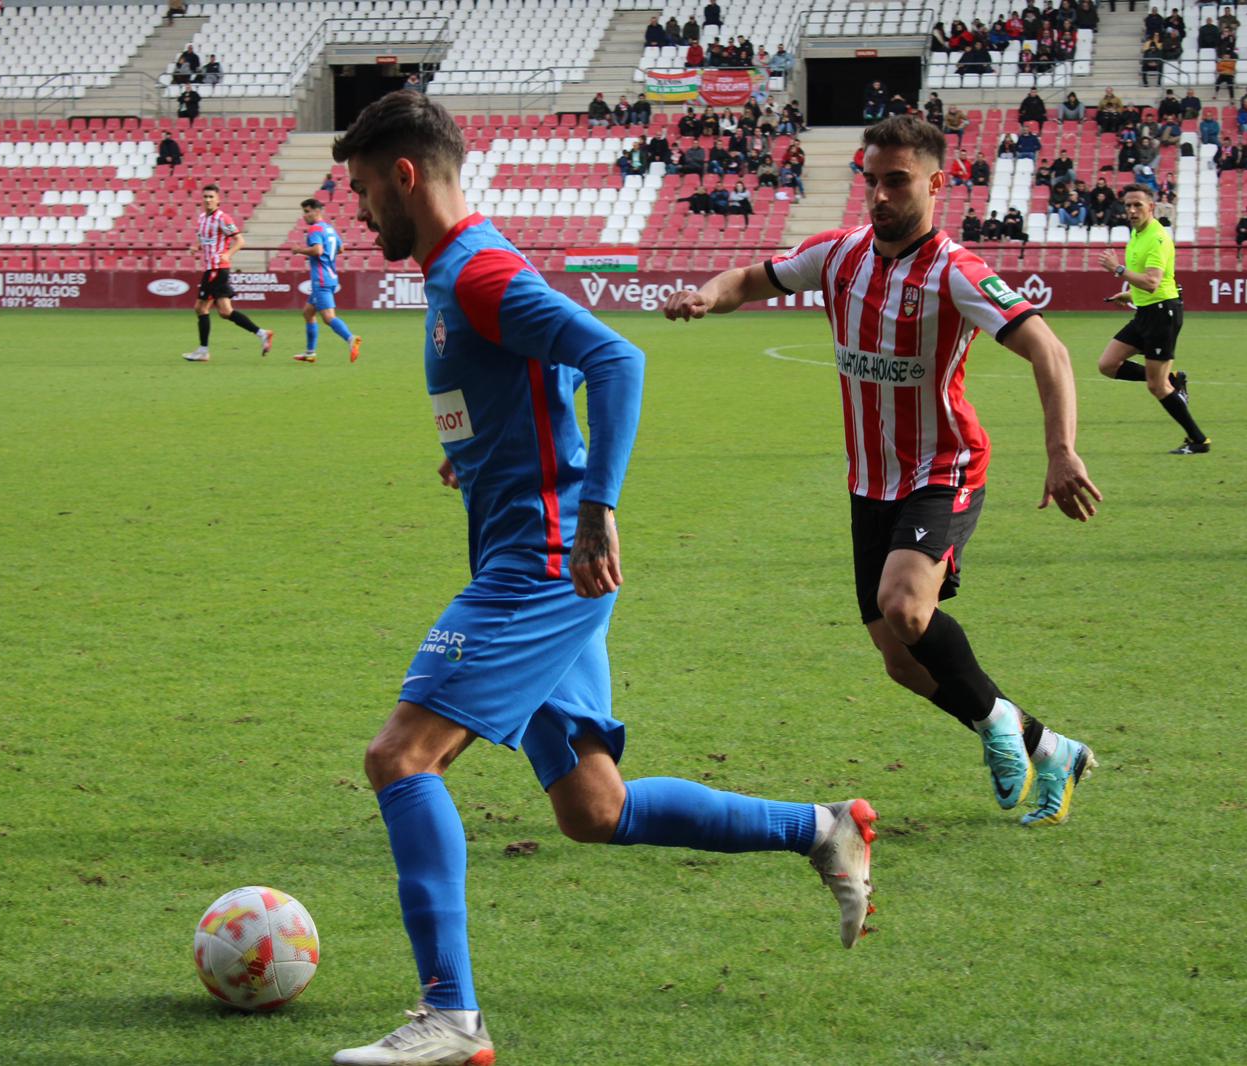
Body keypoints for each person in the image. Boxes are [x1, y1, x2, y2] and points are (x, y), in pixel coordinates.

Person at [327, 89, 879, 1066]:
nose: (360, 212)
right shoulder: (460, 276)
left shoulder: (480, 270)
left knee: (399, 757)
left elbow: (611, 356)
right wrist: (489, 454)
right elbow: (544, 386)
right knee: (595, 809)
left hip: (539, 565)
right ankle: (821, 828)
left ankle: (450, 1017)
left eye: (365, 190)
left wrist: (594, 506)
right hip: (537, 552)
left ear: (405, 177)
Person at [662, 115, 1101, 830]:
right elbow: (748, 276)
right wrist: (709, 295)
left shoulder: (957, 273)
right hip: (870, 482)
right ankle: (1048, 746)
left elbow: (1048, 352)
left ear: (936, 183)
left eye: (896, 181)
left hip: (944, 465)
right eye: (871, 180)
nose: (880, 196)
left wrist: (1060, 451)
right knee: (901, 660)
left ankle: (994, 725)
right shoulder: (839, 256)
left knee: (905, 605)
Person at [1095, 184, 1208, 454]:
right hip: (1145, 312)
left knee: (1156, 386)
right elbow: (1144, 281)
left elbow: (1153, 282)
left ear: (1151, 207)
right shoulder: (1136, 234)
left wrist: (1118, 270)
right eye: (1128, 206)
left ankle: (1198, 440)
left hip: (1162, 314)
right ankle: (1174, 379)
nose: (1132, 211)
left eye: (1138, 205)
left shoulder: (1157, 237)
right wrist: (1128, 293)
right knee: (1108, 364)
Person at [182, 183, 273, 363]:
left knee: (200, 308)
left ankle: (203, 351)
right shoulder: (202, 218)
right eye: (205, 197)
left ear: (218, 199)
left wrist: (227, 254)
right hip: (212, 268)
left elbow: (240, 241)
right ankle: (262, 333)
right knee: (225, 311)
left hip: (217, 269)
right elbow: (204, 238)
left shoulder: (223, 218)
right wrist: (196, 246)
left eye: (211, 197)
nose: (208, 200)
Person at [289, 198, 361, 364]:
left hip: (321, 278)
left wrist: (299, 250)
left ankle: (351, 338)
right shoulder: (329, 228)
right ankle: (310, 352)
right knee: (308, 312)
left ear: (317, 211)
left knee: (328, 318)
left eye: (307, 212)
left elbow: (317, 250)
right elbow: (341, 248)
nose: (304, 216)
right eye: (304, 212)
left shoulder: (315, 229)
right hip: (330, 275)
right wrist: (329, 257)